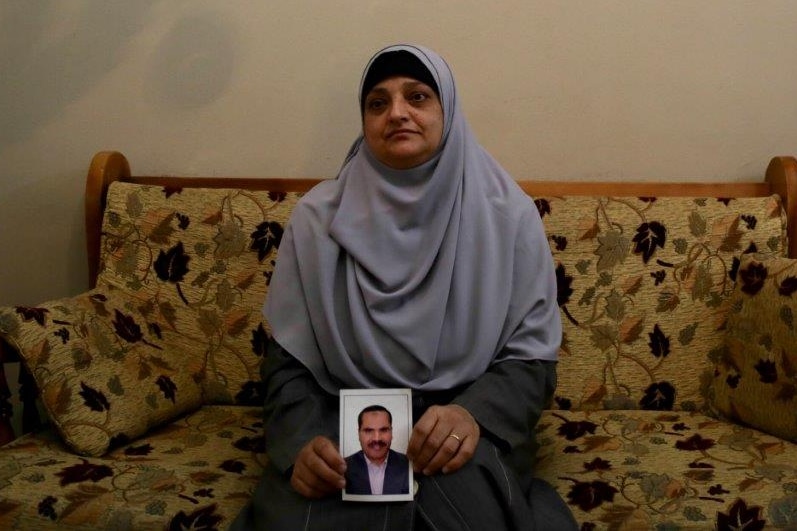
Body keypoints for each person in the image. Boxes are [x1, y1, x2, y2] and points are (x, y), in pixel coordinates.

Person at [230, 43, 577, 530]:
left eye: (417, 97)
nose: (397, 113)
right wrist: (301, 443)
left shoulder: (507, 216)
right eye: (378, 102)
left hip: (465, 417)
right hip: (341, 416)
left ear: (447, 111)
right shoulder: (318, 221)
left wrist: (472, 414)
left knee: (465, 511)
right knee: (312, 514)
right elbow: (287, 362)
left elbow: (533, 360)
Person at [345, 405, 410, 496]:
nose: (377, 438)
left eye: (383, 430)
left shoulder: (408, 464)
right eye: (368, 431)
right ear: (358, 434)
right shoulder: (344, 467)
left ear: (391, 432)